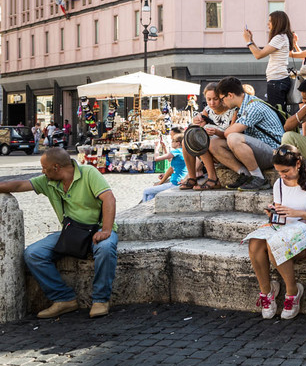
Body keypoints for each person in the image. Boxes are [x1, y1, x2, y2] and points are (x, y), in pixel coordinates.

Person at [0, 148, 118, 318]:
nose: (42, 171)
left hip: (97, 228)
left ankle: (100, 300)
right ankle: (64, 299)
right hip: (72, 232)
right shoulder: (48, 181)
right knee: (34, 254)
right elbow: (19, 185)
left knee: (105, 248)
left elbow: (109, 198)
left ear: (55, 167)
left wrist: (106, 229)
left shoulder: (88, 172)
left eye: (44, 167)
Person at [245, 145, 306, 320]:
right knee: (255, 242)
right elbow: (282, 215)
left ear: (298, 163)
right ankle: (267, 292)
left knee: (274, 243)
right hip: (285, 228)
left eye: (285, 171)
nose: (282, 176)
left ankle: (293, 292)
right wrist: (273, 215)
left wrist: (299, 213)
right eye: (279, 172)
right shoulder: (279, 183)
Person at [211, 76, 285, 191]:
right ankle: (246, 175)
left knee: (233, 138)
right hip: (259, 150)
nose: (222, 103)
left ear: (230, 95)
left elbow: (229, 133)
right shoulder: (243, 107)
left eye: (222, 99)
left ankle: (259, 178)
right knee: (214, 143)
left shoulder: (253, 106)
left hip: (274, 153)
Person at [179, 82, 238, 191]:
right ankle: (192, 177)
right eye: (208, 99)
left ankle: (213, 178)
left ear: (221, 97)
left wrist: (215, 132)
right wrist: (196, 121)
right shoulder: (207, 110)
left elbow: (232, 134)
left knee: (204, 141)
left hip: (226, 145)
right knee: (187, 141)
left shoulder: (233, 110)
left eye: (215, 99)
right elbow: (198, 125)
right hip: (211, 144)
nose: (212, 102)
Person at [243, 10, 294, 108]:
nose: (268, 24)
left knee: (278, 114)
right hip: (278, 80)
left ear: (277, 23)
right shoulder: (282, 37)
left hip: (277, 80)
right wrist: (251, 40)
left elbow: (258, 55)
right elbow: (260, 52)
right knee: (279, 112)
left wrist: (248, 41)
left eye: (270, 21)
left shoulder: (279, 38)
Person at [142, 127, 186, 202]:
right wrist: (164, 147)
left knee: (146, 191)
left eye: (172, 140)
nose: (171, 140)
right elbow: (171, 160)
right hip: (178, 180)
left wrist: (157, 147)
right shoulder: (182, 151)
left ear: (178, 143)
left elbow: (157, 159)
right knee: (151, 194)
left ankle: (143, 210)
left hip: (175, 182)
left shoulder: (177, 151)